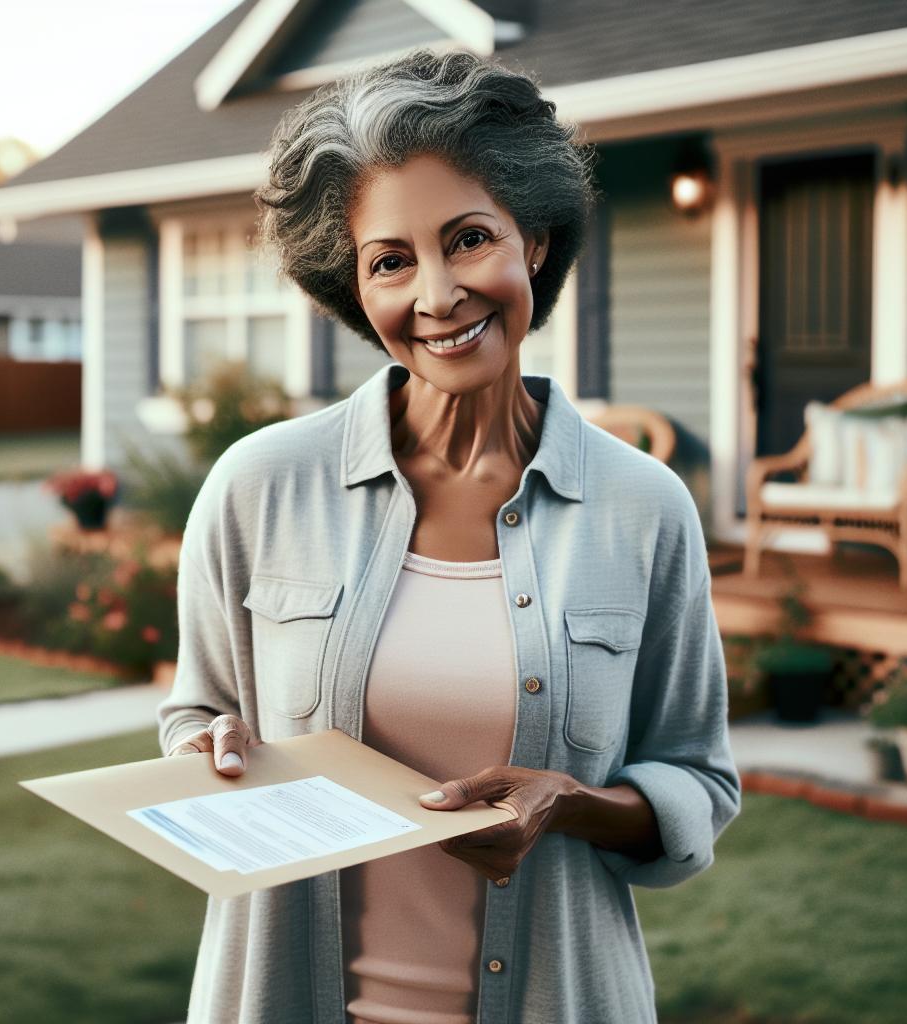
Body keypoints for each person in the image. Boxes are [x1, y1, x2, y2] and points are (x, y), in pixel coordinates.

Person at [155, 47, 740, 1024]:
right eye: (391, 261)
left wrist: (571, 803)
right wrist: (205, 749)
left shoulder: (643, 507)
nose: (436, 295)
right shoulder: (258, 488)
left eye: (467, 239)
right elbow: (195, 718)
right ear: (353, 284)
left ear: (535, 240)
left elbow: (697, 778)